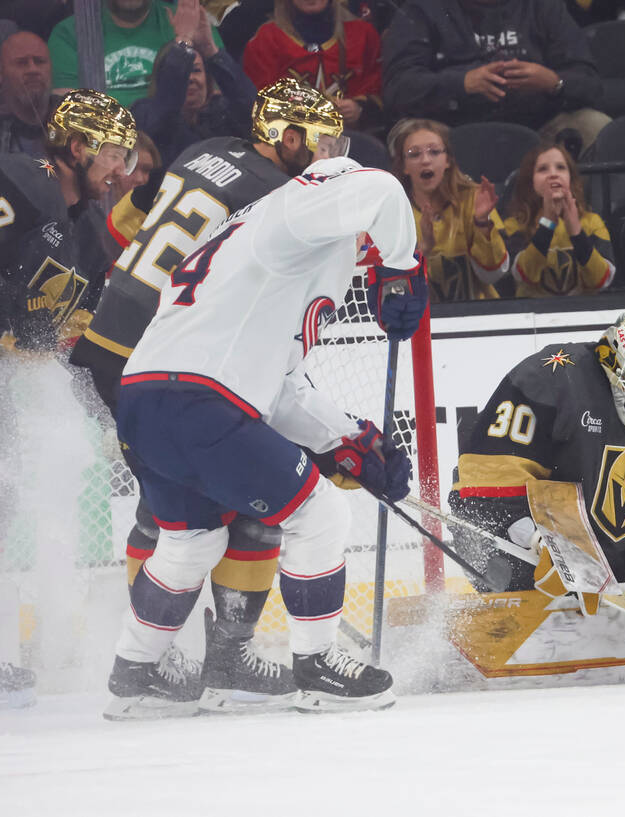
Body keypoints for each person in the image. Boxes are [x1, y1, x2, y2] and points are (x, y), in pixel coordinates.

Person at [70, 79, 361, 716]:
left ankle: (180, 657)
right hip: (167, 354)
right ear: (288, 138)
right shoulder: (281, 196)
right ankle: (193, 657)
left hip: (113, 337)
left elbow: (145, 228)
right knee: (188, 509)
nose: (331, 157)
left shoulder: (209, 148)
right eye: (323, 143)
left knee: (198, 505)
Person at [105, 153, 428, 718]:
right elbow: (380, 187)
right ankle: (319, 666)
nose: (364, 250)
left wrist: (343, 439)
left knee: (190, 541)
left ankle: (135, 675)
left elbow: (278, 387)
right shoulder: (297, 210)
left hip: (145, 397)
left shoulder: (256, 245)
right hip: (200, 400)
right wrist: (400, 268)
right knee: (319, 514)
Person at [448, 302, 625, 629]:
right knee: (539, 604)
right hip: (501, 529)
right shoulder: (551, 378)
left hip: (595, 545)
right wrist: (539, 542)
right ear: (621, 352)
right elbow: (487, 485)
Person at [0, 89, 138, 708]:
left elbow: (73, 343)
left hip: (9, 378)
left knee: (13, 507)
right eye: (114, 153)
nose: (123, 169)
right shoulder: (20, 179)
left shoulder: (86, 237)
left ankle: (12, 658)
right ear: (77, 147)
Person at [382, 0, 609, 151]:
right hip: (449, 131)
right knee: (408, 136)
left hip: (538, 126)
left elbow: (590, 83)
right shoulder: (423, 8)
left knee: (595, 126)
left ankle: (590, 218)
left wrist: (552, 82)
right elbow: (397, 87)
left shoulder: (543, 6)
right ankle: (427, 222)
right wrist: (462, 84)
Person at [389, 118, 509, 301]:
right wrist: (423, 250)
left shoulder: (475, 199)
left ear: (448, 161)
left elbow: (495, 274)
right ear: (403, 166)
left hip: (478, 314)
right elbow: (390, 290)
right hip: (418, 320)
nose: (425, 160)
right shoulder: (391, 211)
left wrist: (482, 223)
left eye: (435, 152)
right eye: (414, 154)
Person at [129, 17, 257, 166]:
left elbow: (254, 112)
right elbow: (165, 112)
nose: (190, 79)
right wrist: (184, 42)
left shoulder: (220, 115)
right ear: (163, 78)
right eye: (184, 72)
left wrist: (211, 51)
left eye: (196, 70)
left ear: (207, 79)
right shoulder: (145, 112)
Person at [49, 0, 225, 107]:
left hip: (180, 144)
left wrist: (199, 43)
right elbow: (70, 116)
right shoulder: (69, 34)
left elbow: (220, 101)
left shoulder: (187, 18)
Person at [241, 0, 383, 132]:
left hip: (352, 141)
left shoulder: (363, 35)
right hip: (286, 144)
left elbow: (376, 88)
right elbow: (256, 102)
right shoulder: (266, 40)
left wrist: (359, 108)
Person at [503, 141, 614, 297]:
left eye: (561, 167)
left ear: (570, 177)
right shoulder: (515, 225)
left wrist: (576, 231)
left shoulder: (592, 222)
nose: (553, 174)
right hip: (533, 317)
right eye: (543, 169)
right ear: (530, 181)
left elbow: (601, 280)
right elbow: (525, 275)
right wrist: (548, 222)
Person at [0, 31, 53, 158]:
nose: (32, 69)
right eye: (21, 63)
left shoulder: (73, 121)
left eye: (39, 61)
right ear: (1, 74)